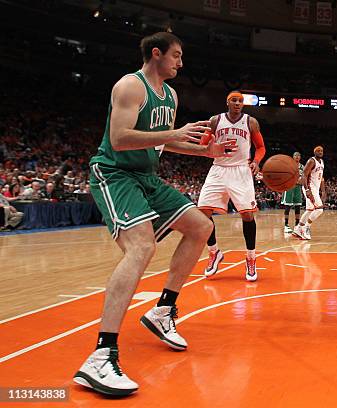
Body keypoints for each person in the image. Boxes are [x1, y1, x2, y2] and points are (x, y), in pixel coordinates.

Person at [73, 32, 235, 397]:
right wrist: (176, 132)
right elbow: (119, 139)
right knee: (141, 248)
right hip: (115, 174)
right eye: (176, 55)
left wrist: (204, 153)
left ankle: (163, 310)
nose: (180, 62)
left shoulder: (171, 95)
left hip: (146, 177)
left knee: (200, 226)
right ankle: (101, 354)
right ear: (156, 53)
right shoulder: (131, 86)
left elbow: (163, 141)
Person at [197, 91, 266, 281]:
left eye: (240, 101)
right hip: (218, 168)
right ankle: (214, 253)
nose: (238, 103)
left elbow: (260, 147)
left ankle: (251, 258)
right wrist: (209, 144)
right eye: (234, 100)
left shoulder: (251, 122)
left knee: (247, 214)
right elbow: (203, 146)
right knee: (203, 213)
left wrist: (256, 161)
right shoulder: (215, 121)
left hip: (241, 170)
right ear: (227, 102)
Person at [293, 146, 326, 240]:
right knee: (319, 209)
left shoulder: (322, 162)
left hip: (315, 188)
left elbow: (321, 177)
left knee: (310, 210)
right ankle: (306, 227)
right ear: (314, 152)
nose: (320, 152)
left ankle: (298, 229)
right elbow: (304, 174)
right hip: (310, 188)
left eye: (321, 151)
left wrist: (323, 191)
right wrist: (307, 190)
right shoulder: (311, 161)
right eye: (318, 151)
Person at [281, 152, 304, 234]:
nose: (297, 157)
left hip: (298, 187)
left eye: (299, 155)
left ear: (300, 157)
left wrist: (302, 181)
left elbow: (304, 177)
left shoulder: (302, 167)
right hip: (289, 187)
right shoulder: (288, 165)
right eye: (295, 155)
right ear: (293, 157)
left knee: (298, 206)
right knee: (288, 206)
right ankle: (286, 225)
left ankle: (297, 225)